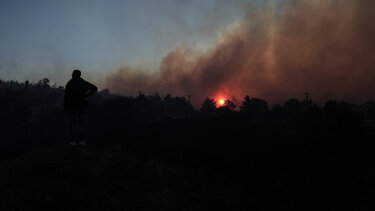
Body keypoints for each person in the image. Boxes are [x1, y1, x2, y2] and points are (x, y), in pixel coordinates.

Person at [63, 69, 97, 146]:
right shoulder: (83, 83)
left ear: (74, 75)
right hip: (82, 106)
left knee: (73, 124)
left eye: (73, 74)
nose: (72, 75)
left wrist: (65, 106)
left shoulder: (70, 84)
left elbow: (66, 96)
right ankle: (81, 140)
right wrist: (86, 96)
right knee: (81, 123)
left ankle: (73, 141)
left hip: (72, 106)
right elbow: (94, 88)